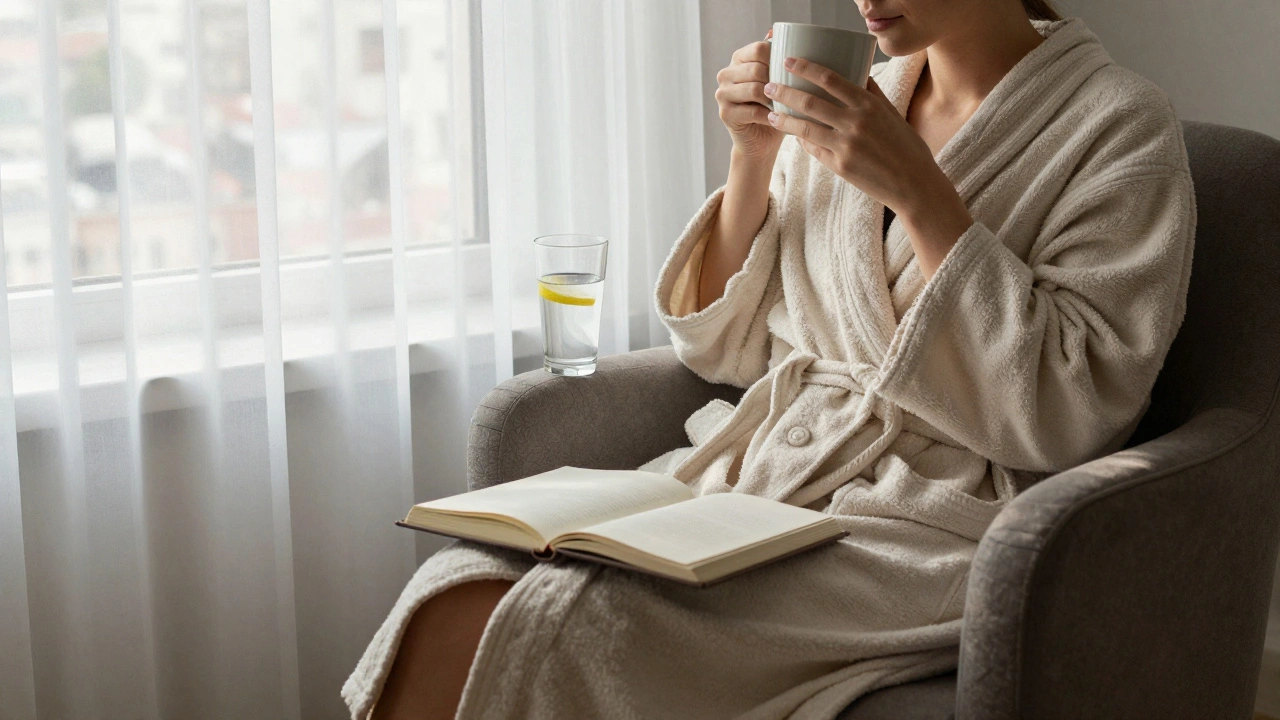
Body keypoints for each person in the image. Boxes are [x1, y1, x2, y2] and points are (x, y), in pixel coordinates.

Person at [344, 0, 1197, 718]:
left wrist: (923, 194)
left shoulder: (1118, 126)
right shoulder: (865, 92)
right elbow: (724, 347)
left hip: (928, 518)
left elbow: (1071, 407)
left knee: (573, 621)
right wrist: (752, 157)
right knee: (450, 589)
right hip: (765, 470)